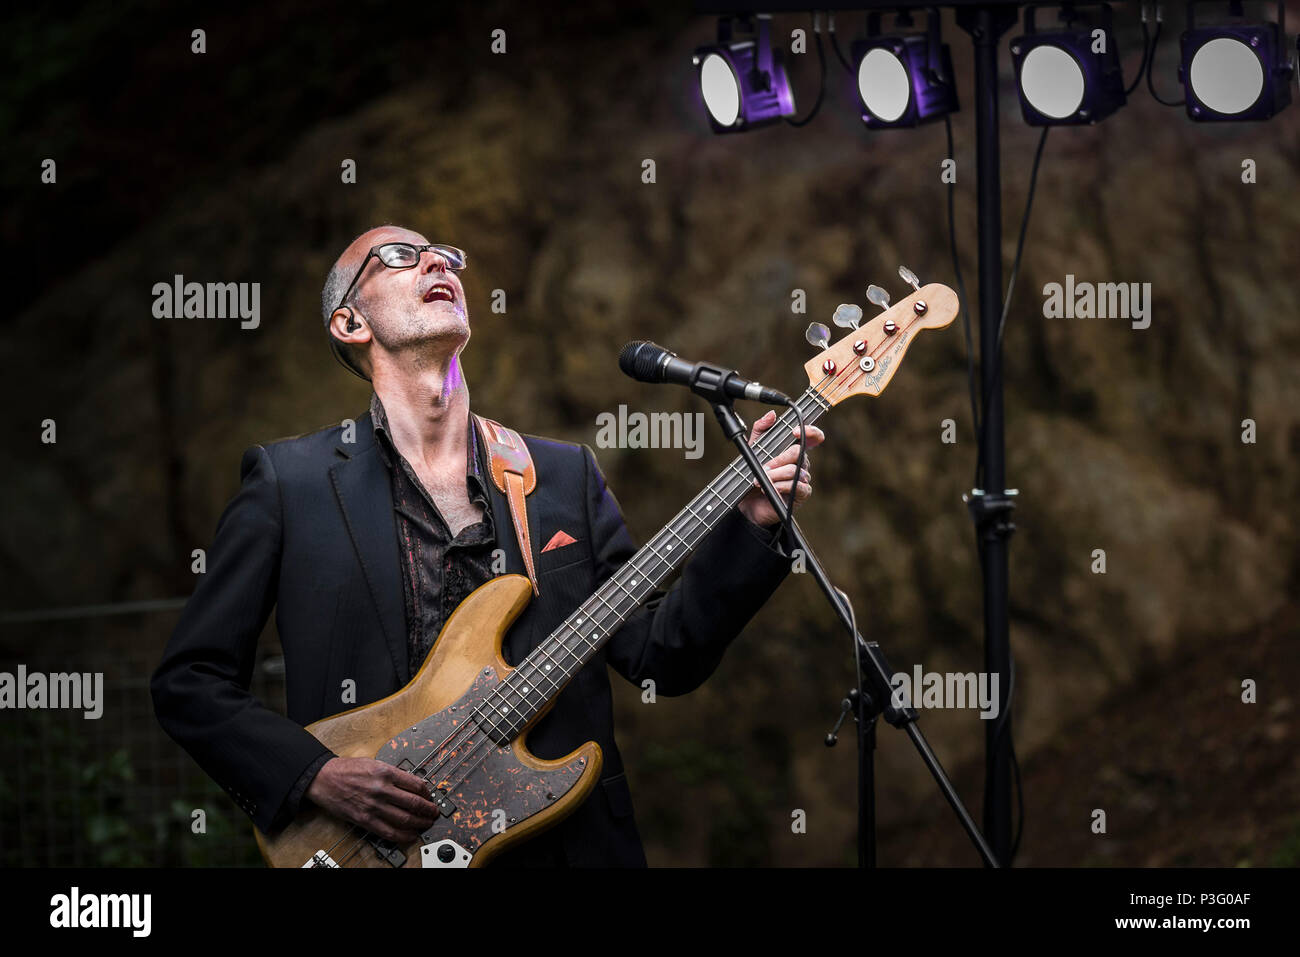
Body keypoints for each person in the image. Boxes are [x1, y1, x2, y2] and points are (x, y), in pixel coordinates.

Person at [151, 224, 824, 866]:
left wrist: (752, 521)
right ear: (351, 323)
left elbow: (660, 657)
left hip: (569, 851)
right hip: (374, 846)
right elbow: (190, 682)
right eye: (398, 256)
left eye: (444, 254)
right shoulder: (288, 483)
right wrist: (314, 774)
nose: (438, 261)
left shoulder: (563, 475)